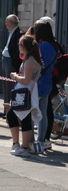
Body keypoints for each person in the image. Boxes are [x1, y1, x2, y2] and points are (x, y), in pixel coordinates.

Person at [8, 34, 43, 157]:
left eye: (20, 44)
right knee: (20, 116)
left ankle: (23, 146)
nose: (18, 47)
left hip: (25, 92)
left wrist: (15, 76)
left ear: (24, 46)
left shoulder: (30, 61)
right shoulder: (31, 59)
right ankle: (18, 144)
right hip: (27, 92)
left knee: (20, 116)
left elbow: (27, 80)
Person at [33, 21, 58, 149]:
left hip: (37, 83)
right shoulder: (54, 47)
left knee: (32, 112)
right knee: (43, 114)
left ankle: (30, 141)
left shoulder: (41, 47)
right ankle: (41, 141)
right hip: (48, 83)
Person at [0, 15, 24, 118]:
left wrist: (14, 63)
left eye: (6, 22)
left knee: (10, 86)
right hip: (6, 60)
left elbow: (17, 50)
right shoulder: (11, 32)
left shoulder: (18, 33)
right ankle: (6, 110)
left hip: (11, 62)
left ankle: (10, 112)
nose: (5, 24)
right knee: (5, 85)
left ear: (10, 22)